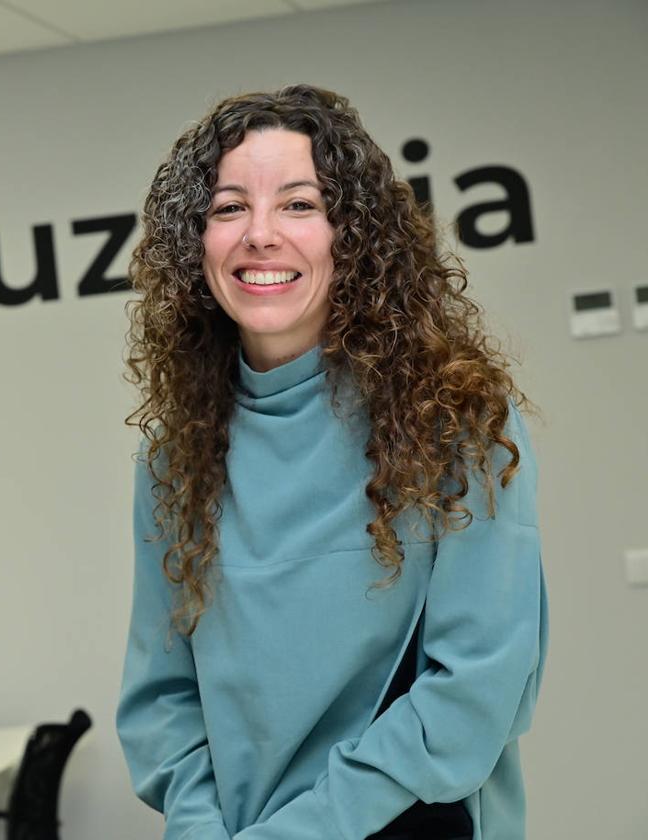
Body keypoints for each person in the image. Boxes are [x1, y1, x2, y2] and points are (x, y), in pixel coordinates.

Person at [115, 84, 549, 840]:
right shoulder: (172, 461)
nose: (259, 234)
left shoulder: (456, 422)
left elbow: (476, 690)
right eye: (227, 208)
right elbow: (161, 702)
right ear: (196, 245)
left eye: (298, 205)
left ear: (354, 236)